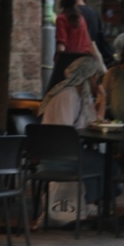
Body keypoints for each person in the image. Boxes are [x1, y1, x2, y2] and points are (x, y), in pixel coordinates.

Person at [36, 56, 106, 212]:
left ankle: (91, 205)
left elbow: (94, 121)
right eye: (95, 76)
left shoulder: (78, 95)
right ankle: (89, 205)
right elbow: (65, 131)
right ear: (87, 76)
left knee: (105, 163)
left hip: (65, 151)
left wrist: (103, 99)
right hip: (57, 156)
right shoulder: (68, 96)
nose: (96, 80)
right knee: (102, 164)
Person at [49, 0, 93, 93]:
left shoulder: (62, 19)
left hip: (68, 62)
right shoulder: (81, 19)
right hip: (83, 62)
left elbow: (61, 45)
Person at [67, 0, 114, 67]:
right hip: (93, 58)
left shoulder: (72, 14)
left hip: (78, 58)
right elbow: (101, 37)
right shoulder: (94, 13)